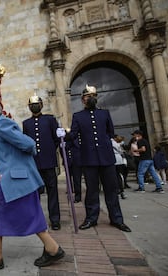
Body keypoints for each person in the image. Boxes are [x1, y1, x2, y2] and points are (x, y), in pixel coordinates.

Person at [0, 100, 65, 273]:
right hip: (17, 178)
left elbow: (29, 144)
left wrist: (15, 165)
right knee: (31, 213)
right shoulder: (0, 125)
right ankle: (53, 249)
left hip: (14, 178)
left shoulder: (1, 125)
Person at [57, 84, 131, 232]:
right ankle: (91, 218)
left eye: (93, 96)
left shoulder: (105, 114)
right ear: (82, 100)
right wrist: (63, 135)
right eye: (87, 96)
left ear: (96, 98)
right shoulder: (78, 116)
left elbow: (110, 132)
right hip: (89, 159)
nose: (90, 98)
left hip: (106, 157)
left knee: (111, 189)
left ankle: (117, 219)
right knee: (92, 191)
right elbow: (73, 135)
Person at [22, 94, 61, 230]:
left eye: (36, 104)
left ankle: (55, 220)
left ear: (42, 105)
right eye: (32, 105)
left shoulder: (49, 119)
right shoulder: (26, 123)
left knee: (52, 192)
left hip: (49, 161)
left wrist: (49, 151)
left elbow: (56, 139)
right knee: (35, 194)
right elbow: (26, 142)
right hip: (34, 164)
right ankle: (35, 219)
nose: (34, 106)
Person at [111, 135, 127, 199]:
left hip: (113, 160)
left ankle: (116, 190)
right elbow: (122, 151)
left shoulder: (111, 142)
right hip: (119, 160)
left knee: (114, 176)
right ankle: (121, 190)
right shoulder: (119, 144)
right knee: (118, 176)